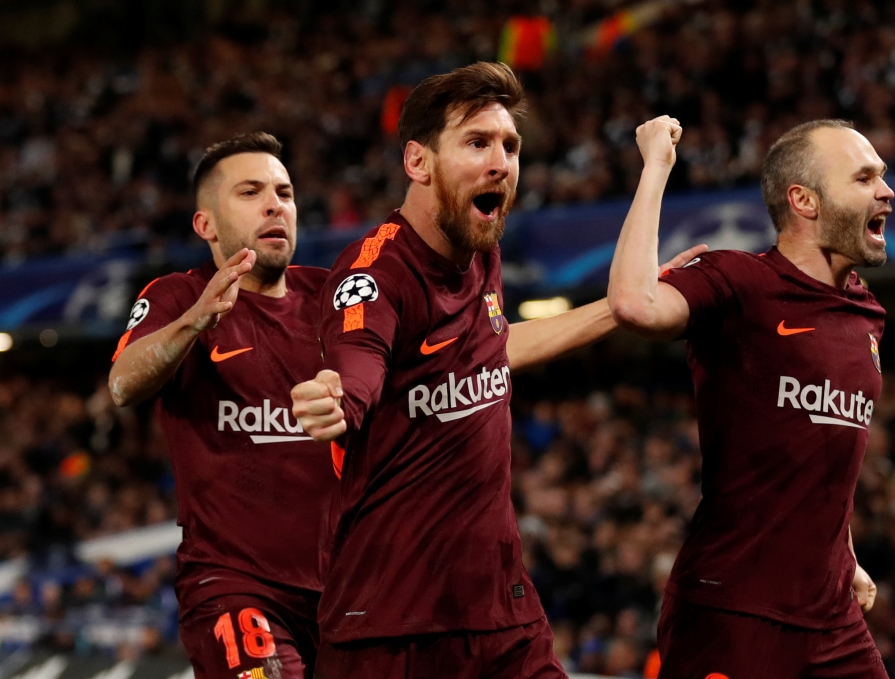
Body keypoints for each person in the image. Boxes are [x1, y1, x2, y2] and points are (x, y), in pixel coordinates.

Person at [289, 62, 701, 678]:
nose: (501, 162)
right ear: (417, 163)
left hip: (501, 612)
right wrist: (339, 398)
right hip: (392, 628)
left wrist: (625, 305)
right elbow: (359, 366)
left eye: (510, 146)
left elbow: (493, 345)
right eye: (477, 143)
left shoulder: (481, 248)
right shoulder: (374, 273)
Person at [608, 117, 893, 678]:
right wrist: (657, 168)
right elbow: (635, 305)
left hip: (831, 616)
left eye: (881, 176)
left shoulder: (866, 312)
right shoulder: (739, 282)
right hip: (731, 610)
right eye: (864, 179)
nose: (886, 191)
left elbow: (818, 448)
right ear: (804, 200)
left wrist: (846, 552)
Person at [109, 132, 332, 679]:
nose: (275, 204)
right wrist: (195, 323)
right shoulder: (178, 297)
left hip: (351, 590)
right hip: (235, 587)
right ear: (206, 224)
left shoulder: (334, 296)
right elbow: (123, 384)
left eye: (284, 191)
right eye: (251, 192)